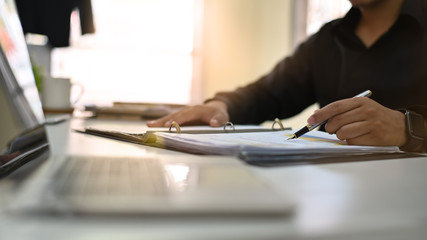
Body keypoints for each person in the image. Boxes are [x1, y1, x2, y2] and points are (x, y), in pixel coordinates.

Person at [148, 0, 427, 152]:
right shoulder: (327, 40)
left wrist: (409, 128)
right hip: (337, 200)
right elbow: (270, 92)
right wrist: (221, 106)